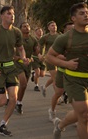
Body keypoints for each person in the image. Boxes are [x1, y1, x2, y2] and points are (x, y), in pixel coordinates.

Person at [0, 6, 29, 136]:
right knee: (2, 100)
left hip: (11, 68)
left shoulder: (17, 32)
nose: (12, 16)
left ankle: (2, 125)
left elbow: (20, 48)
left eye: (13, 14)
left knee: (13, 99)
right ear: (2, 16)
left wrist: (23, 58)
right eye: (8, 14)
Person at [46, 2, 88, 139]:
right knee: (84, 116)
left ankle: (60, 125)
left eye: (87, 12)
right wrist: (66, 63)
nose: (86, 15)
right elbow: (49, 56)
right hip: (75, 80)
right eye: (82, 13)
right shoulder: (65, 38)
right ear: (73, 18)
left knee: (80, 113)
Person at [48, 22, 74, 122]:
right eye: (69, 29)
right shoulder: (62, 40)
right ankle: (52, 111)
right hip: (63, 71)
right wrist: (67, 58)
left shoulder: (80, 39)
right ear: (64, 31)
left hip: (76, 73)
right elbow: (54, 55)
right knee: (59, 92)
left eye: (73, 29)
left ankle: (78, 116)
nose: (72, 31)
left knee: (76, 95)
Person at [14, 22, 38, 114]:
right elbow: (12, 52)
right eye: (24, 26)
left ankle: (18, 101)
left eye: (28, 26)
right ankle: (18, 103)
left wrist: (39, 54)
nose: (27, 27)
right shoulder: (17, 39)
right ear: (20, 29)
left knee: (24, 86)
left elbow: (36, 52)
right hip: (18, 64)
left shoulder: (33, 39)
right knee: (23, 83)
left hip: (28, 65)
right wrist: (19, 57)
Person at [39, 21, 60, 97]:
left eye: (55, 25)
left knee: (55, 76)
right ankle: (58, 97)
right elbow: (38, 46)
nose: (54, 27)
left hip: (59, 58)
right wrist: (40, 54)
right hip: (49, 58)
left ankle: (44, 86)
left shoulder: (60, 36)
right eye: (52, 26)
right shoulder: (46, 37)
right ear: (48, 28)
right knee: (55, 78)